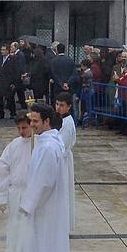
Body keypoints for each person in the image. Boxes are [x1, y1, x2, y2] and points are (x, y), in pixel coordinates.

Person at [19, 104, 73, 252]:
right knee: (41, 248)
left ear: (47, 121)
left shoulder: (49, 147)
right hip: (47, 208)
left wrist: (28, 203)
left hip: (46, 209)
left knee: (44, 249)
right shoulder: (49, 142)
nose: (32, 125)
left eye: (35, 121)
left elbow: (43, 181)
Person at [0, 116, 35, 252]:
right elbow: (3, 170)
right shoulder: (13, 146)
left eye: (24, 128)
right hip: (17, 194)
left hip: (32, 192)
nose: (21, 131)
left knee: (30, 231)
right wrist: (1, 196)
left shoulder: (38, 144)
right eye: (19, 128)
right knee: (16, 230)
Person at [53, 93, 79, 228]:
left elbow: (62, 145)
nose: (58, 108)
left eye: (62, 105)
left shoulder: (67, 123)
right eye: (57, 104)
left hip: (62, 160)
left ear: (68, 107)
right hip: (59, 159)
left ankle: (65, 225)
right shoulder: (59, 119)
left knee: (64, 192)